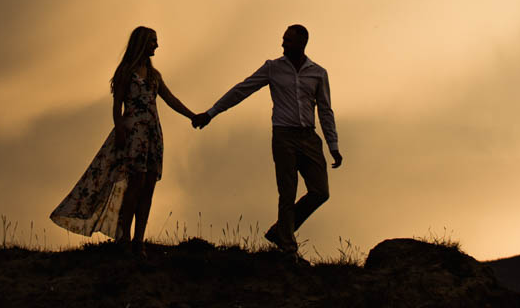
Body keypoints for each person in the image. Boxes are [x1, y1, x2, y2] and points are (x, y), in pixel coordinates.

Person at [192, 24, 341, 253]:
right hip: (284, 136)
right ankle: (287, 246)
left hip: (309, 137)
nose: (283, 44)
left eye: (288, 41)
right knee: (287, 192)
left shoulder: (318, 73)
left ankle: (279, 230)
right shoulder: (272, 68)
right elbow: (242, 89)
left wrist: (333, 145)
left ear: (302, 43)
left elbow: (325, 109)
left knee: (320, 192)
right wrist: (211, 113)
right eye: (283, 39)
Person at [49, 26, 198, 252]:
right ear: (142, 43)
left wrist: (193, 116)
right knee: (135, 185)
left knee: (148, 185)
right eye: (152, 41)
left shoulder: (155, 76)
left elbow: (170, 99)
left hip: (152, 134)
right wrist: (119, 130)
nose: (156, 45)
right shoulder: (126, 73)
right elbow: (116, 105)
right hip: (133, 134)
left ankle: (139, 239)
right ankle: (125, 237)